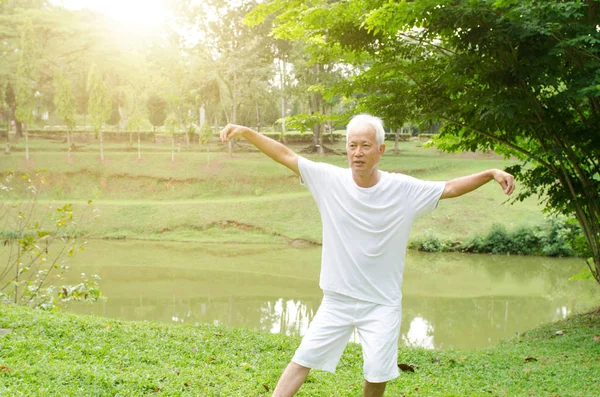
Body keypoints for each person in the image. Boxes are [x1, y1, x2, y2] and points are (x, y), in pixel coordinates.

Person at [219, 114, 515, 397]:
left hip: (382, 303)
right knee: (303, 359)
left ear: (380, 150)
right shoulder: (329, 180)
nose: (357, 153)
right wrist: (246, 132)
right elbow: (285, 155)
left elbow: (449, 188)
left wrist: (490, 173)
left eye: (365, 145)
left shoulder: (402, 189)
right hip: (338, 299)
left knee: (377, 372)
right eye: (352, 145)